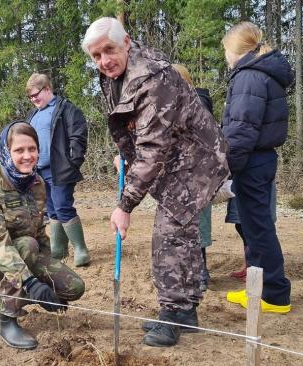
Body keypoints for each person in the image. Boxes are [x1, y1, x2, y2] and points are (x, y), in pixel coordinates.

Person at [82, 17, 229, 347]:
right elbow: (132, 125)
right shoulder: (115, 74)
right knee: (181, 233)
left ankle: (173, 313)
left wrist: (125, 205)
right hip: (175, 159)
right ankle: (185, 313)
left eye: (109, 50)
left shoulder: (153, 77)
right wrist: (127, 154)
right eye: (96, 55)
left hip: (196, 161)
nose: (104, 60)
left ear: (127, 43)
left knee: (169, 236)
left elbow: (154, 147)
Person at [0, 121, 85, 350]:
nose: (27, 156)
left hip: (25, 252)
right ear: (6, 152)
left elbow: (39, 232)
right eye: (19, 150)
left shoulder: (37, 182)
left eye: (32, 149)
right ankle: (7, 319)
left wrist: (46, 279)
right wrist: (31, 282)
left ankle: (25, 290)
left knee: (73, 286)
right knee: (26, 245)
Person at [221, 22, 292, 313]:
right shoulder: (262, 74)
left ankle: (274, 294)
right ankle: (259, 289)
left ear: (236, 50)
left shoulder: (249, 77)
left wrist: (227, 168)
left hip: (250, 161)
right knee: (254, 226)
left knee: (258, 228)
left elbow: (241, 130)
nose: (225, 56)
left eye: (226, 50)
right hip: (259, 159)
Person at [25, 73, 90, 267]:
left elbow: (78, 137)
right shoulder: (33, 115)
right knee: (52, 209)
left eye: (36, 94)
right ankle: (59, 249)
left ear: (47, 89)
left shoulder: (66, 109)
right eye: (30, 97)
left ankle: (81, 250)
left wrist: (73, 162)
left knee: (63, 206)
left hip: (60, 170)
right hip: (39, 172)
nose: (33, 99)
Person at [171, 63, 216, 292]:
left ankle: (201, 272)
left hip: (198, 174)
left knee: (198, 225)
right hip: (176, 176)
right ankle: (184, 272)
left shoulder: (198, 103)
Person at [227, 182, 278, 282]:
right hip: (242, 182)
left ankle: (257, 269)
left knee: (256, 227)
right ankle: (249, 266)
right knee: (241, 225)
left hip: (256, 182)